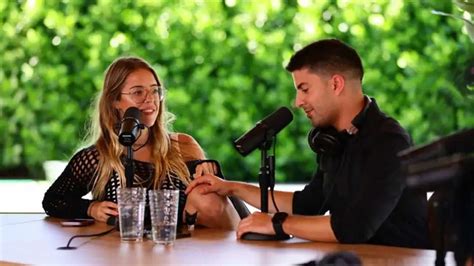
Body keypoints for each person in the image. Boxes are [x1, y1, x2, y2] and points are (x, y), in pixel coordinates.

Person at [186, 39, 431, 248]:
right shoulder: (333, 140)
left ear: (336, 84)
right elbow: (306, 205)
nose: (297, 101)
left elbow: (355, 227)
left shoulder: (388, 140)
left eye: (304, 89)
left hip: (399, 258)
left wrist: (276, 223)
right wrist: (230, 187)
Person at [43, 56, 239, 229]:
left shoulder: (182, 146)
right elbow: (53, 200)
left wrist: (211, 170)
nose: (150, 100)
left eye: (155, 91)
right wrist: (90, 208)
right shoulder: (98, 157)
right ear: (115, 101)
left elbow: (216, 204)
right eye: (138, 92)